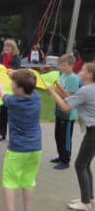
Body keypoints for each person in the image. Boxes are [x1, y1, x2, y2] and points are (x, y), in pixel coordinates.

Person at [0, 69, 42, 211]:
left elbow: (1, 92)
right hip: (36, 148)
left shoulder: (13, 101)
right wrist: (14, 75)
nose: (10, 84)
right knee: (29, 181)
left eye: (12, 82)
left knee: (10, 182)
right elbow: (26, 82)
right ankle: (27, 209)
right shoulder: (36, 96)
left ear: (18, 88)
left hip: (18, 150)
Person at [48, 63, 95, 211]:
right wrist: (61, 90)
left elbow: (66, 107)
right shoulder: (89, 89)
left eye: (83, 70)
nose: (79, 71)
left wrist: (52, 92)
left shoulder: (86, 90)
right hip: (92, 131)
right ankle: (89, 197)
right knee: (85, 164)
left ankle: (85, 203)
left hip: (93, 132)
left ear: (90, 75)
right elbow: (72, 98)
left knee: (80, 165)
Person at [50, 54, 80, 170]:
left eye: (64, 65)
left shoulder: (73, 78)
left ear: (71, 65)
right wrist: (53, 89)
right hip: (60, 110)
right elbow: (59, 92)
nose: (61, 68)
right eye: (60, 65)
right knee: (58, 135)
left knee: (65, 137)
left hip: (68, 114)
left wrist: (59, 90)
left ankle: (66, 160)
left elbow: (69, 97)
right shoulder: (62, 75)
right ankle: (60, 156)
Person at [0, 39, 21, 142]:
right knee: (3, 111)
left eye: (9, 46)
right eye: (5, 46)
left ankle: (14, 134)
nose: (6, 48)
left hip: (12, 87)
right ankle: (2, 134)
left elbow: (16, 71)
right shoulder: (1, 57)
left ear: (13, 48)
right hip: (3, 86)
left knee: (13, 112)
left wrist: (7, 71)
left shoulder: (16, 58)